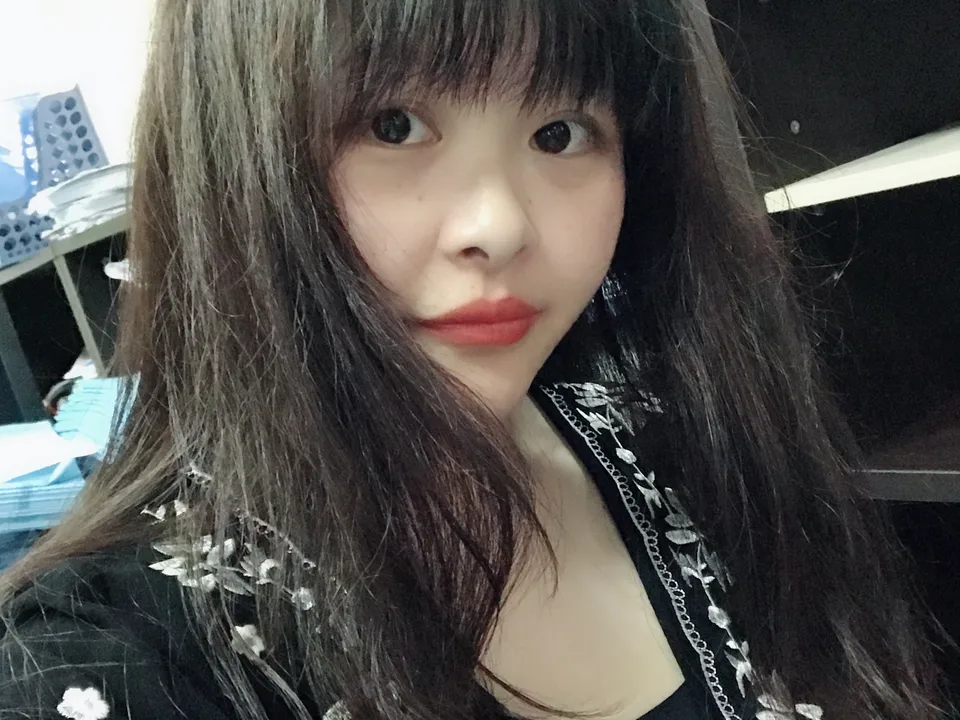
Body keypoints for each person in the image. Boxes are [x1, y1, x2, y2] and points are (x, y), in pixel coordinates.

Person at [0, 1, 948, 719]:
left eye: (560, 133)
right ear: (229, 159)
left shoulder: (675, 439)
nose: (499, 225)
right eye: (393, 126)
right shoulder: (110, 658)